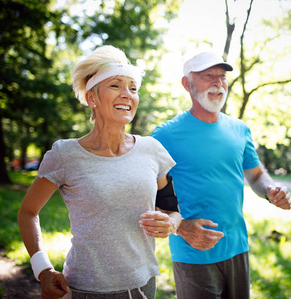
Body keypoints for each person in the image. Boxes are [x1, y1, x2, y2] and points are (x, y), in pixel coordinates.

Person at [17, 45, 181, 299]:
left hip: (143, 285)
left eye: (133, 88)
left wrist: (170, 224)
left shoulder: (152, 149)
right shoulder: (65, 154)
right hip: (84, 288)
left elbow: (173, 210)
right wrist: (43, 271)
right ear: (92, 98)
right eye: (115, 85)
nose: (127, 94)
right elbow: (27, 212)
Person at [150, 52, 291, 299]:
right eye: (208, 76)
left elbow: (257, 176)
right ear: (187, 84)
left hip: (238, 247)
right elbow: (143, 193)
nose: (218, 82)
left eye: (222, 76)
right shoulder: (165, 136)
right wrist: (181, 227)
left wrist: (270, 191)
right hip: (194, 251)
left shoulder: (240, 129)